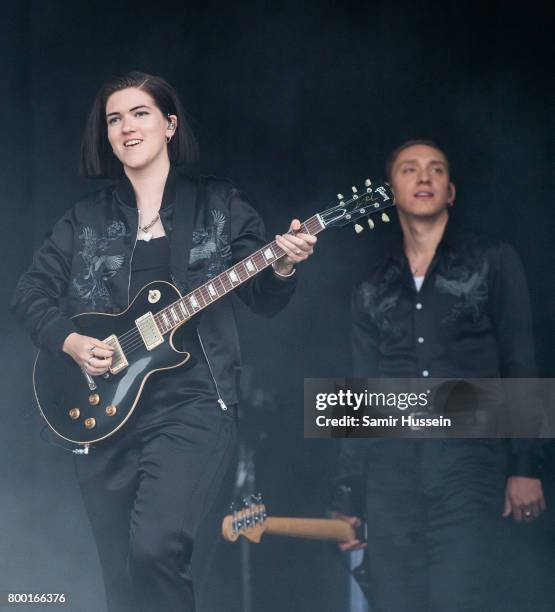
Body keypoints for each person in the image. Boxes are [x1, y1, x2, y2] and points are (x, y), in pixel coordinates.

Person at [11, 71, 317, 612]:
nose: (126, 127)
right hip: (103, 413)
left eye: (140, 113)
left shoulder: (219, 206)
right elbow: (30, 292)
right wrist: (73, 342)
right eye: (114, 119)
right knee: (121, 577)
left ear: (170, 124)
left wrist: (285, 263)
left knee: (156, 548)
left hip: (192, 405)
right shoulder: (84, 220)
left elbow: (265, 299)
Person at [330, 140, 545, 612]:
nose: (424, 177)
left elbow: (519, 362)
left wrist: (525, 467)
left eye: (436, 169)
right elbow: (361, 392)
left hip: (469, 468)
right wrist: (350, 494)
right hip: (391, 477)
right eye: (410, 169)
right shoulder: (370, 288)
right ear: (391, 190)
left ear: (451, 191)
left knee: (459, 598)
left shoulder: (493, 261)